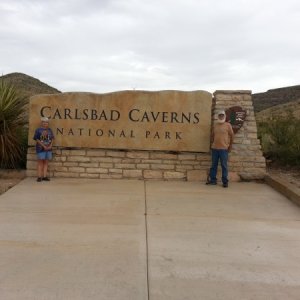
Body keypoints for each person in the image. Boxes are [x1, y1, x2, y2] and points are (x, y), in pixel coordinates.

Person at [206, 110, 234, 188]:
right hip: (215, 149)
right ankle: (213, 181)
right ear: (218, 116)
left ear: (224, 116)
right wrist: (212, 143)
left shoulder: (228, 125)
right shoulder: (215, 125)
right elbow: (212, 135)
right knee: (213, 165)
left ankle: (225, 182)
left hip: (224, 149)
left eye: (222, 115)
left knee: (224, 165)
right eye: (220, 115)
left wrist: (230, 146)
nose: (221, 116)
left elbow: (232, 135)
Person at [33, 117, 54, 182]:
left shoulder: (50, 130)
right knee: (40, 163)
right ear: (42, 123)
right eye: (44, 122)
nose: (45, 123)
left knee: (46, 162)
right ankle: (39, 177)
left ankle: (44, 176)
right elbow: (36, 139)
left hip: (48, 149)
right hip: (40, 148)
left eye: (47, 122)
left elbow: (52, 138)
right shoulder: (38, 130)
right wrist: (43, 146)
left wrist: (51, 145)